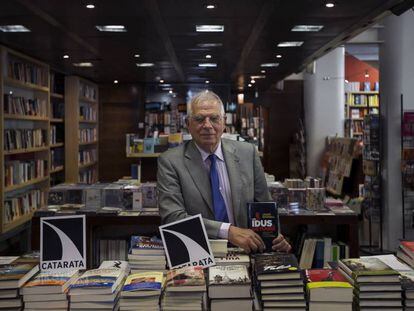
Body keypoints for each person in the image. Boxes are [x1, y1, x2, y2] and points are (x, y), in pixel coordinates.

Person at [157, 91, 291, 254]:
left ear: (224, 122)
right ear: (188, 123)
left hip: (246, 251)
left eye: (214, 118)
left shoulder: (247, 153)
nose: (207, 125)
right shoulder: (170, 161)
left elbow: (264, 206)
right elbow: (173, 218)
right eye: (199, 119)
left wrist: (274, 237)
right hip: (198, 253)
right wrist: (227, 231)